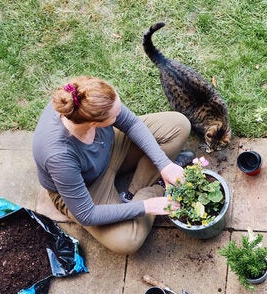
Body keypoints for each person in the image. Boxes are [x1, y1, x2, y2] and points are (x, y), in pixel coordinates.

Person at [32, 76, 192, 255]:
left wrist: (164, 165)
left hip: (111, 148)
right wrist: (147, 206)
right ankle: (154, 191)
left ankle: (131, 193)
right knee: (128, 241)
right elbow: (87, 215)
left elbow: (131, 123)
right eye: (115, 116)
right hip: (88, 186)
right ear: (94, 123)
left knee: (179, 125)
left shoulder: (84, 97)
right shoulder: (58, 156)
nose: (120, 115)